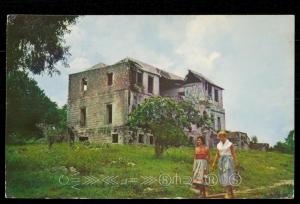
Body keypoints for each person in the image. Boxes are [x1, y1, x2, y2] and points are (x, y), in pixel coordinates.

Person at [212, 130, 239, 199]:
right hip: (221, 161)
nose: (221, 138)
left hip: (228, 160)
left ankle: (228, 193)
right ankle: (231, 192)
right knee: (224, 176)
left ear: (225, 136)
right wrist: (214, 163)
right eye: (220, 136)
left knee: (228, 175)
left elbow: (233, 153)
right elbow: (217, 154)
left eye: (222, 136)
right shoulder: (218, 145)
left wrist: (236, 162)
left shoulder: (230, 144)